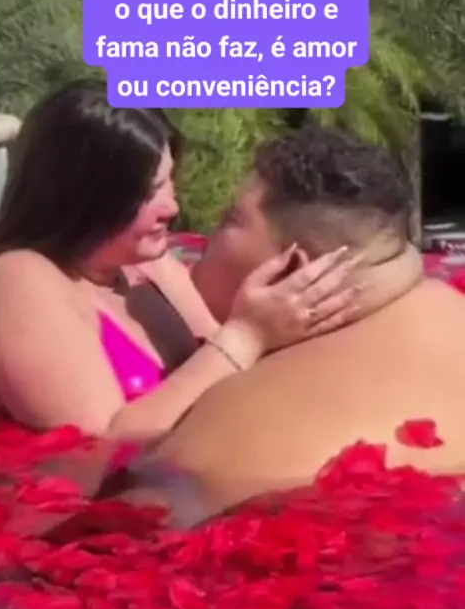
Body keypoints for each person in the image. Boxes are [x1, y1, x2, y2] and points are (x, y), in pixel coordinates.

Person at [0, 80, 360, 447]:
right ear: (83, 197)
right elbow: (98, 448)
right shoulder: (19, 281)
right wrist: (248, 334)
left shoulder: (151, 267)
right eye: (147, 193)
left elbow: (224, 369)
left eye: (168, 182)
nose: (172, 207)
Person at [134, 124, 465, 518]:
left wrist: (243, 336)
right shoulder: (451, 312)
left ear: (293, 268)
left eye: (231, 219)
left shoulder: (231, 426)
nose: (209, 234)